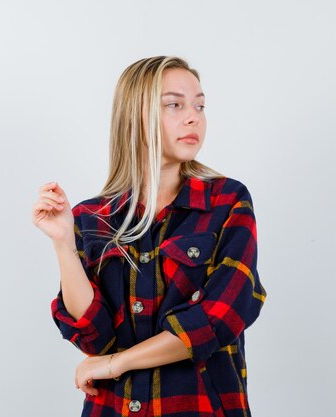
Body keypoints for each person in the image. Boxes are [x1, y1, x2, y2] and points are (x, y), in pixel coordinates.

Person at [32, 56, 267, 417]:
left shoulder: (227, 201)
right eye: (175, 105)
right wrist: (63, 243)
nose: (194, 117)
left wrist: (116, 364)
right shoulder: (91, 217)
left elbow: (219, 317)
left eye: (199, 106)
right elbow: (94, 337)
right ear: (135, 116)